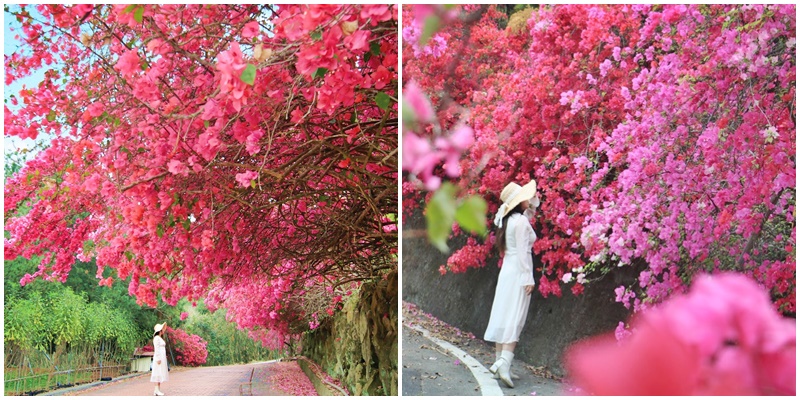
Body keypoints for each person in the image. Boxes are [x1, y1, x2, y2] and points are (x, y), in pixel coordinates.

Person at [484, 180, 540, 388]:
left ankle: (499, 362)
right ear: (518, 202)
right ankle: (504, 362)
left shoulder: (508, 220)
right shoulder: (521, 223)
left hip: (507, 270)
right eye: (525, 197)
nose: (529, 199)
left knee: (504, 313)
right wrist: (528, 278)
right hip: (518, 270)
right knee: (515, 316)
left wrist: (532, 204)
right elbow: (524, 252)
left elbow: (529, 212)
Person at [151, 322, 169, 396]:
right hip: (159, 358)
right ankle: (156, 390)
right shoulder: (156, 338)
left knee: (160, 373)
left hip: (161, 357)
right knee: (157, 373)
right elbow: (157, 348)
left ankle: (157, 390)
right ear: (159, 330)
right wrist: (158, 358)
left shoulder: (159, 338)